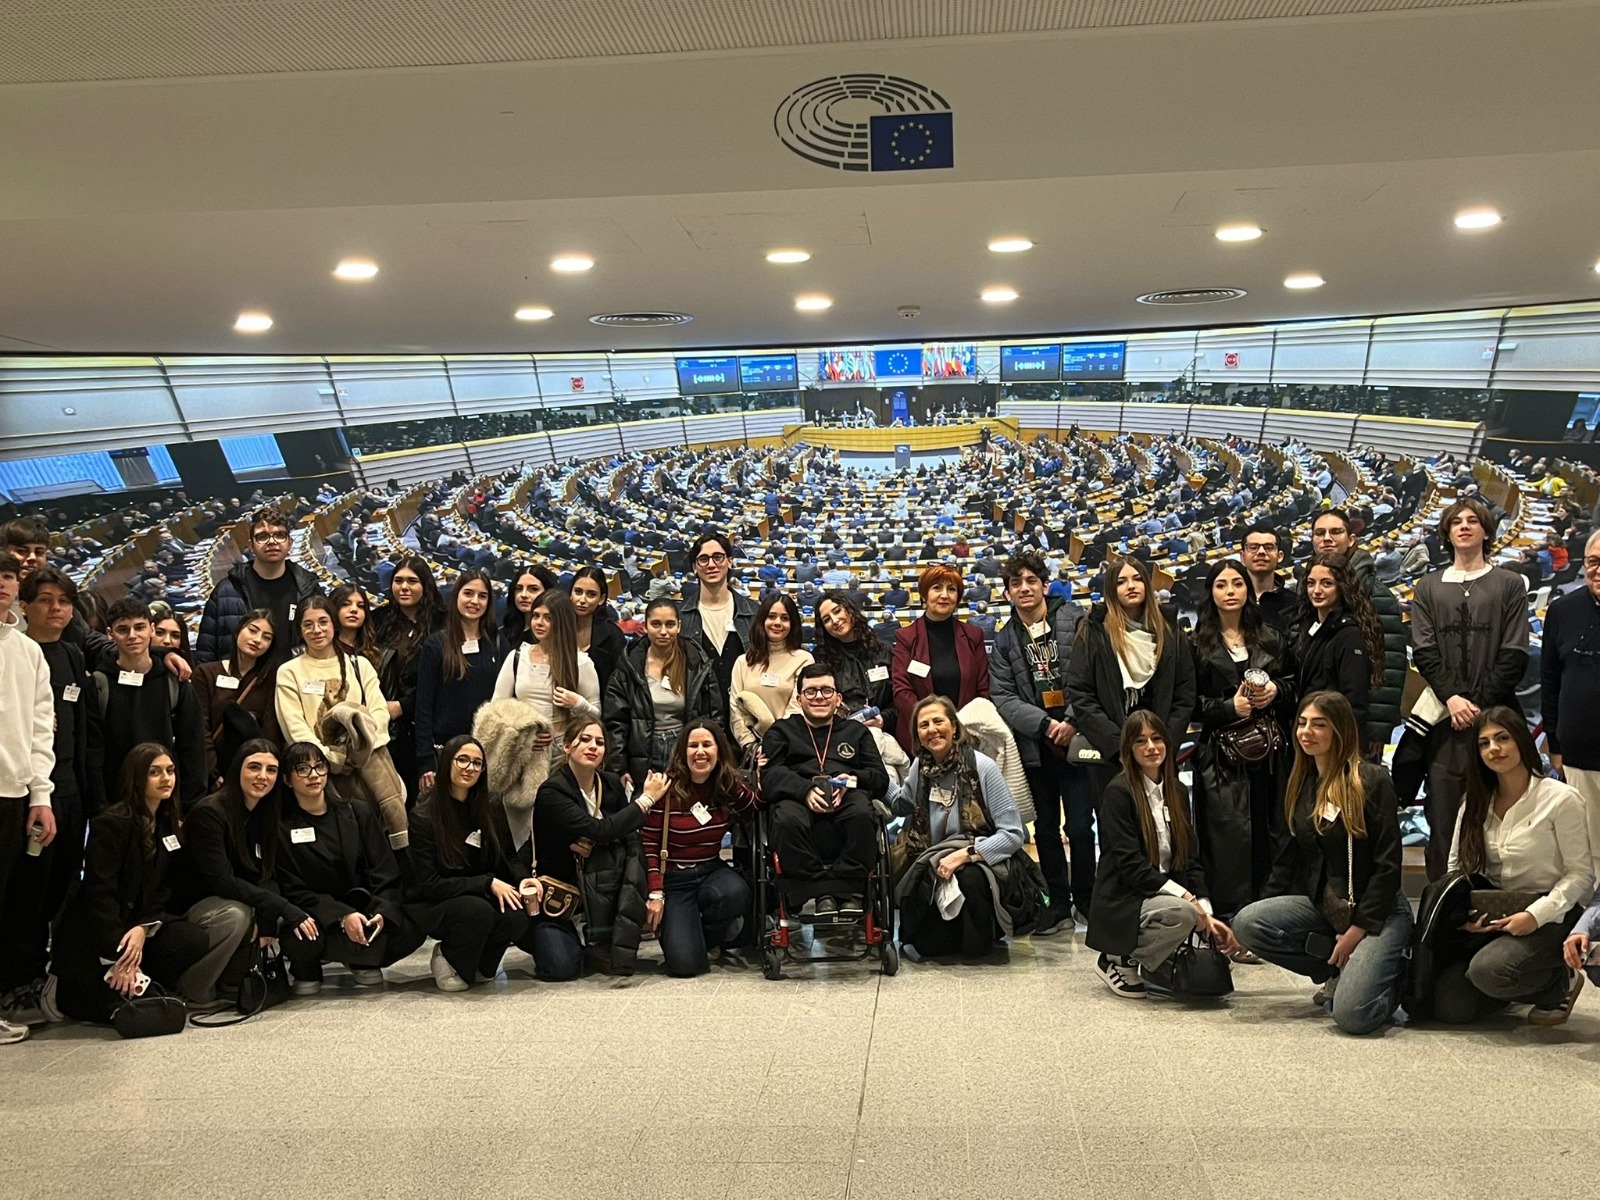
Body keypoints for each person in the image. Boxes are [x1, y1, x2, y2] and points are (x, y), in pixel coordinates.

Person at [1232, 692, 1411, 1035]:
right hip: (1329, 907)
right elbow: (1286, 859)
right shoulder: (1302, 782)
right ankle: (1337, 971)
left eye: (1319, 724)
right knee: (1248, 922)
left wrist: (1357, 930)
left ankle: (1393, 979)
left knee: (1352, 1016)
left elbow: (1388, 866)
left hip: (1379, 912)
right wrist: (1247, 923)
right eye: (1301, 723)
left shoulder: (1372, 781)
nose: (1306, 732)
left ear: (1340, 730)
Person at [49, 746, 240, 1023]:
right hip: (97, 935)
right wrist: (118, 958)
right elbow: (99, 895)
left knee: (190, 939)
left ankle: (142, 981)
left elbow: (162, 890)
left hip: (136, 926)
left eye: (170, 771)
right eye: (155, 772)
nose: (166, 778)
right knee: (110, 1010)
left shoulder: (167, 823)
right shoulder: (112, 823)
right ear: (136, 777)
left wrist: (144, 927)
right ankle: (74, 985)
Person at [1432, 709, 1594, 1026]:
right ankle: (1510, 979)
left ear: (1521, 740)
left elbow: (1581, 876)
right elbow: (1456, 868)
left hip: (1552, 914)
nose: (1494, 748)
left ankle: (1558, 983)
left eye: (1503, 738)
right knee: (1451, 1007)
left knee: (1489, 971)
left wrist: (1535, 916)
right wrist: (1464, 915)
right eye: (1484, 743)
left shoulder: (1560, 799)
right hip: (1493, 914)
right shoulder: (1475, 802)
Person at [1410, 497, 1530, 879]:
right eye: (1456, 521)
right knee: (1443, 819)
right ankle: (1441, 909)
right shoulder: (1428, 587)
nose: (1464, 526)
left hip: (1495, 717)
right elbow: (1425, 652)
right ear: (1447, 532)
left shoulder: (1509, 584)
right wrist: (1454, 699)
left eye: (1473, 520)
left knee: (1500, 816)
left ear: (1486, 530)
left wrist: (1477, 704)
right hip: (1446, 723)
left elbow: (1513, 652)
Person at [1086, 711, 1237, 998]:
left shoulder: (1177, 790)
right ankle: (1116, 959)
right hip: (1126, 897)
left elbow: (1190, 859)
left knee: (1192, 916)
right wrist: (1190, 902)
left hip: (1161, 894)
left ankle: (1156, 957)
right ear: (1129, 749)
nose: (1151, 747)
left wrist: (1207, 911)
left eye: (1156, 739)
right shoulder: (1119, 792)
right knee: (1182, 913)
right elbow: (1130, 865)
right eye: (1141, 741)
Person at [1189, 559, 1295, 933]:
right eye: (1221, 585)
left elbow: (1296, 685)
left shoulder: (1271, 637)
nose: (1230, 591)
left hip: (1271, 754)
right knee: (1225, 839)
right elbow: (1186, 703)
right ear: (1211, 592)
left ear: (1248, 591)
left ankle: (1267, 915)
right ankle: (1231, 919)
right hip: (1219, 757)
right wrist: (1225, 708)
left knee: (1272, 831)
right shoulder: (1195, 643)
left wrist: (1275, 691)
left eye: (1237, 583)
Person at [275, 741, 426, 994]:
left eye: (319, 767)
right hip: (318, 917)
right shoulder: (281, 826)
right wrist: (342, 917)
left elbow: (385, 870)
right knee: (301, 938)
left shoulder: (357, 812)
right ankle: (308, 966)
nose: (313, 775)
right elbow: (292, 889)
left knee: (414, 925)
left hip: (364, 908)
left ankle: (360, 957)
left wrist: (382, 912)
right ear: (288, 779)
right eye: (302, 769)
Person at [989, 549, 1087, 935]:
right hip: (1037, 746)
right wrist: (1047, 724)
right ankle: (1058, 905)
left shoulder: (1076, 620)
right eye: (1016, 583)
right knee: (1045, 829)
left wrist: (1073, 719)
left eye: (1031, 581)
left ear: (1045, 585)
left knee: (1080, 827)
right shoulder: (1005, 639)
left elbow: (1092, 674)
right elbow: (1003, 696)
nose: (1025, 588)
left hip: (1079, 738)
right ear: (1008, 593)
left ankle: (1089, 900)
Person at [890, 696, 1030, 959]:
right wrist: (867, 774)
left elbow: (1013, 834)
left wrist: (966, 854)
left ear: (954, 727)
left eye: (938, 721)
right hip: (933, 861)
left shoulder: (982, 766)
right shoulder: (920, 767)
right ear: (918, 736)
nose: (931, 729)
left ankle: (983, 932)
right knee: (927, 949)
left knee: (970, 879)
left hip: (978, 861)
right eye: (923, 725)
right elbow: (901, 804)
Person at [405, 736, 538, 991]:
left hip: (478, 891)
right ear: (447, 763)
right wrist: (486, 883)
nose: (470, 768)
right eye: (462, 760)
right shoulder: (424, 816)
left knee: (516, 914)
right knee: (478, 910)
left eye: (477, 763)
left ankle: (482, 964)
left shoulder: (490, 804)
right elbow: (429, 884)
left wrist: (523, 881)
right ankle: (448, 956)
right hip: (435, 899)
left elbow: (507, 856)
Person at [178, 740, 305, 1006]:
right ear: (237, 770)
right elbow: (221, 881)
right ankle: (192, 987)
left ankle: (230, 981)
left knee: (271, 910)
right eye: (254, 768)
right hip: (192, 907)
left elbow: (267, 873)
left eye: (271, 770)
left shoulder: (263, 813)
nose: (262, 776)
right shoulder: (209, 813)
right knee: (238, 915)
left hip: (231, 899)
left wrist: (271, 917)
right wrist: (280, 907)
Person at [531, 720, 660, 980]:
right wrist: (645, 800)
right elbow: (600, 829)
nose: (593, 747)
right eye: (585, 739)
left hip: (602, 886)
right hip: (559, 890)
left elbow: (620, 833)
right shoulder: (552, 790)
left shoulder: (611, 783)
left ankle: (597, 939)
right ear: (567, 746)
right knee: (562, 968)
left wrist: (597, 839)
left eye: (599, 742)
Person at [275, 595, 407, 848]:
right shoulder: (289, 671)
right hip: (323, 773)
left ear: (334, 624)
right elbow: (294, 726)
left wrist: (359, 751)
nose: (317, 630)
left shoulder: (361, 665)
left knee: (387, 825)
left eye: (323, 621)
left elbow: (379, 712)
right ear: (300, 630)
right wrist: (331, 759)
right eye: (308, 624)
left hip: (370, 763)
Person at [760, 664, 889, 918]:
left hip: (847, 799)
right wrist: (804, 789)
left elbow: (880, 779)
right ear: (799, 699)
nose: (819, 697)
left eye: (826, 691)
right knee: (785, 819)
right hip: (798, 802)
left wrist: (852, 779)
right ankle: (820, 890)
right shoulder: (780, 731)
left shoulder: (857, 731)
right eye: (811, 692)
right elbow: (770, 776)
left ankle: (849, 891)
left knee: (863, 813)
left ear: (838, 698)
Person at [641, 720, 759, 976]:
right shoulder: (665, 787)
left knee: (736, 892)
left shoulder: (727, 785)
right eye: (693, 746)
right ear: (683, 752)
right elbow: (649, 841)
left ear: (719, 750)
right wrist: (656, 893)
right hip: (674, 880)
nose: (700, 752)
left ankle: (708, 932)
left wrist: (766, 772)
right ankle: (686, 930)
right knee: (686, 966)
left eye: (707, 745)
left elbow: (754, 807)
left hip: (710, 870)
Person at [0, 554, 58, 1043]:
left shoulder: (26, 649)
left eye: (7, 577)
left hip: (15, 793)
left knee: (9, 904)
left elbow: (42, 730)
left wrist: (40, 793)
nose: (1, 585)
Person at [1068, 556, 1196, 774]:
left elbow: (1185, 691)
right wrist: (1121, 748)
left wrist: (1162, 743)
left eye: (1137, 579)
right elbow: (1082, 695)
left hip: (1161, 753)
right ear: (1110, 589)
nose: (1131, 586)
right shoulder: (1093, 631)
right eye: (1121, 581)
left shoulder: (1170, 630)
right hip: (1113, 757)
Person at [1307, 509, 1408, 753]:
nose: (1327, 538)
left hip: (1358, 726)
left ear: (1351, 540)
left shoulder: (1378, 596)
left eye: (1336, 532)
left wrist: (1377, 729)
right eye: (1320, 533)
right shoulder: (1308, 589)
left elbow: (1390, 666)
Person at [94, 597, 208, 810]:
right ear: (110, 634)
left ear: (151, 630)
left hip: (169, 800)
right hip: (117, 801)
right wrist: (100, 806)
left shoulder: (174, 680)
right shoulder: (100, 684)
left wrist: (191, 804)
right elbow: (94, 751)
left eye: (139, 627)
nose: (132, 636)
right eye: (123, 629)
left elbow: (193, 747)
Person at [604, 598, 724, 785]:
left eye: (669, 625)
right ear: (644, 626)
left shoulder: (696, 663)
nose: (663, 632)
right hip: (643, 752)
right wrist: (618, 767)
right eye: (656, 624)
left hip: (687, 752)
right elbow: (616, 721)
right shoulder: (629, 665)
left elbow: (715, 716)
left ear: (679, 626)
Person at [1539, 527, 1600, 881]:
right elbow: (1550, 682)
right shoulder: (1563, 611)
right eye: (1592, 562)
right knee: (1586, 851)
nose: (1597, 570)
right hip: (1578, 757)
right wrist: (1556, 745)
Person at [195, 506, 323, 663]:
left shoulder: (308, 588)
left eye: (280, 535)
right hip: (242, 683)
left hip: (296, 681)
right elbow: (205, 652)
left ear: (290, 543)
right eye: (262, 537)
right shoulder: (226, 591)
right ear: (251, 546)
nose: (272, 542)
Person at [414, 569, 502, 793]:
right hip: (445, 751)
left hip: (486, 750)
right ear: (456, 597)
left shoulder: (498, 644)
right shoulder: (436, 645)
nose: (475, 601)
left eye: (482, 596)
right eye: (468, 593)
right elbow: (423, 705)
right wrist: (425, 761)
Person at [891, 563, 991, 752]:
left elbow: (983, 689)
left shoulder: (973, 635)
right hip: (920, 738)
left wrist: (959, 727)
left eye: (951, 589)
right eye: (937, 588)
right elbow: (901, 691)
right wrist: (931, 725)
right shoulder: (906, 637)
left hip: (966, 735)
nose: (944, 595)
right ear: (924, 595)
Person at [493, 587, 601, 761]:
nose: (539, 623)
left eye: (548, 618)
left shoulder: (581, 662)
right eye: (536, 616)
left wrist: (578, 703)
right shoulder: (518, 656)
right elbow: (497, 707)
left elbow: (596, 715)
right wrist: (522, 735)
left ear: (562, 622)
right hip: (522, 749)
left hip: (563, 752)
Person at [371, 555, 444, 807]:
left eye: (412, 581)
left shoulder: (442, 622)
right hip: (388, 727)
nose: (404, 587)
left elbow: (445, 678)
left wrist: (403, 705)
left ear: (425, 585)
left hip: (429, 723)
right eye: (398, 581)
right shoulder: (378, 620)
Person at [192, 608, 283, 790]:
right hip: (211, 774)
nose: (257, 640)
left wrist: (260, 770)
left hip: (254, 775)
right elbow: (200, 726)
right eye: (253, 630)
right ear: (238, 631)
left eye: (267, 637)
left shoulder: (271, 679)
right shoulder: (206, 673)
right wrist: (213, 772)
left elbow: (270, 730)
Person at [1294, 553, 1383, 735]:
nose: (1316, 590)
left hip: (1333, 736)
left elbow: (1354, 701)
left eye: (1327, 583)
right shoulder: (1309, 625)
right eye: (1311, 583)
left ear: (1342, 587)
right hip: (1310, 729)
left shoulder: (1349, 634)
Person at [729, 592, 813, 755]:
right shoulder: (742, 662)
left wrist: (776, 744)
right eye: (772, 616)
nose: (777, 623)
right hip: (753, 752)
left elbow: (798, 707)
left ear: (793, 624)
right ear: (762, 620)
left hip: (790, 748)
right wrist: (750, 747)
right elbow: (735, 711)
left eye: (784, 618)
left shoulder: (803, 659)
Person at [677, 532, 756, 702]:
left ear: (730, 561)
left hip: (746, 710)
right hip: (699, 714)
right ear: (694, 567)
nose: (711, 564)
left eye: (718, 557)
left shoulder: (755, 612)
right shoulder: (679, 617)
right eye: (703, 559)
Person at [813, 591, 895, 735]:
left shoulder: (885, 651)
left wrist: (883, 719)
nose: (835, 620)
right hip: (841, 736)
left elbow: (899, 698)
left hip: (887, 732)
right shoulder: (820, 660)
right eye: (826, 619)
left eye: (837, 611)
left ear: (850, 610)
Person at [569, 566, 626, 697]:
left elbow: (618, 684)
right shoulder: (557, 628)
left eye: (591, 594)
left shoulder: (613, 635)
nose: (582, 600)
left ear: (601, 599)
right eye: (578, 592)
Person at [1239, 523, 1294, 636]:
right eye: (1253, 547)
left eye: (1269, 547)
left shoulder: (1294, 604)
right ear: (1242, 557)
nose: (1261, 552)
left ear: (1280, 556)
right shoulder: (1228, 600)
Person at [498, 564, 557, 657]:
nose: (524, 595)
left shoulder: (554, 635)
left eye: (533, 589)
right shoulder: (503, 632)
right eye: (519, 589)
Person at [329, 583, 380, 668]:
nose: (354, 610)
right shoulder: (319, 649)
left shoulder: (375, 652)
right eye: (345, 604)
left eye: (360, 606)